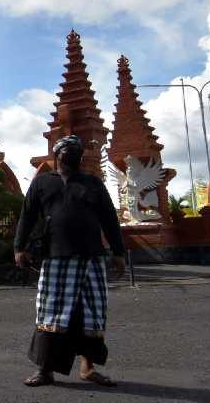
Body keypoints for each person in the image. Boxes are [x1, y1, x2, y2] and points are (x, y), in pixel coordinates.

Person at [14, 135, 126, 387]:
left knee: (91, 314)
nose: (70, 154)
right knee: (50, 313)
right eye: (65, 150)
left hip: (92, 258)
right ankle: (45, 371)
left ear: (80, 157)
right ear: (56, 155)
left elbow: (109, 219)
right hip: (56, 257)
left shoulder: (93, 183)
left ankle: (88, 368)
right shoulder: (42, 183)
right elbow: (27, 216)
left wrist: (118, 252)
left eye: (75, 150)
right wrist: (19, 247)